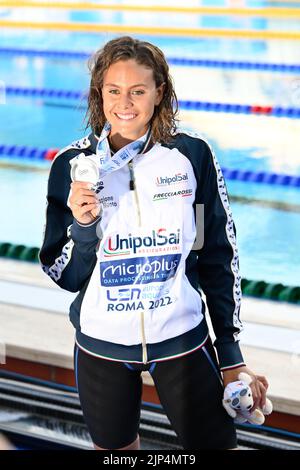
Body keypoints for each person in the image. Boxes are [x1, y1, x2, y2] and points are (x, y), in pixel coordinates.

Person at [39, 36, 269, 450]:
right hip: (101, 346)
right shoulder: (71, 166)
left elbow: (218, 253)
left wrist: (232, 355)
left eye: (138, 91)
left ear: (159, 92)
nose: (125, 103)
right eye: (114, 91)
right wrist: (84, 226)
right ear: (99, 93)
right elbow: (64, 274)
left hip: (181, 337)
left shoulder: (191, 156)